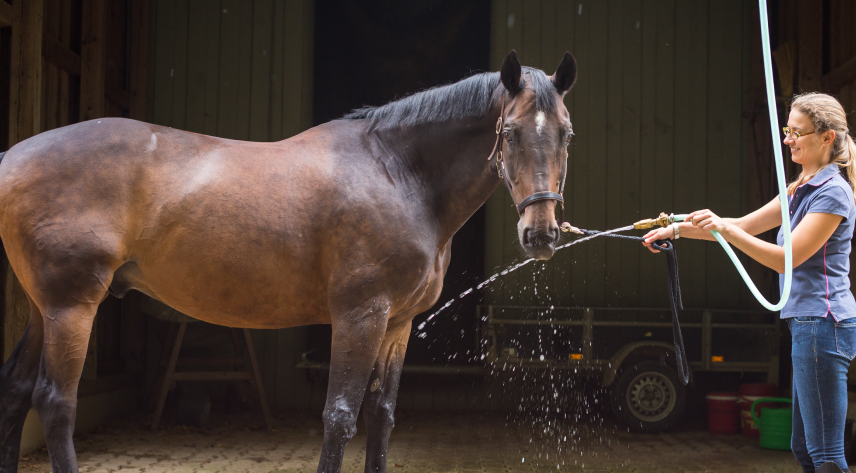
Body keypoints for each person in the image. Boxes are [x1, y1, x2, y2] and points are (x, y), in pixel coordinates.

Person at [643, 92, 856, 473]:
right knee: (805, 449)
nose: (788, 139)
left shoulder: (833, 193)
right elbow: (740, 227)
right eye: (787, 131)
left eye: (797, 132)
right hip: (807, 325)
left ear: (827, 137)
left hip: (824, 325)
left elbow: (783, 261)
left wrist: (725, 228)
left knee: (826, 455)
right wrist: (675, 230)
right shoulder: (798, 188)